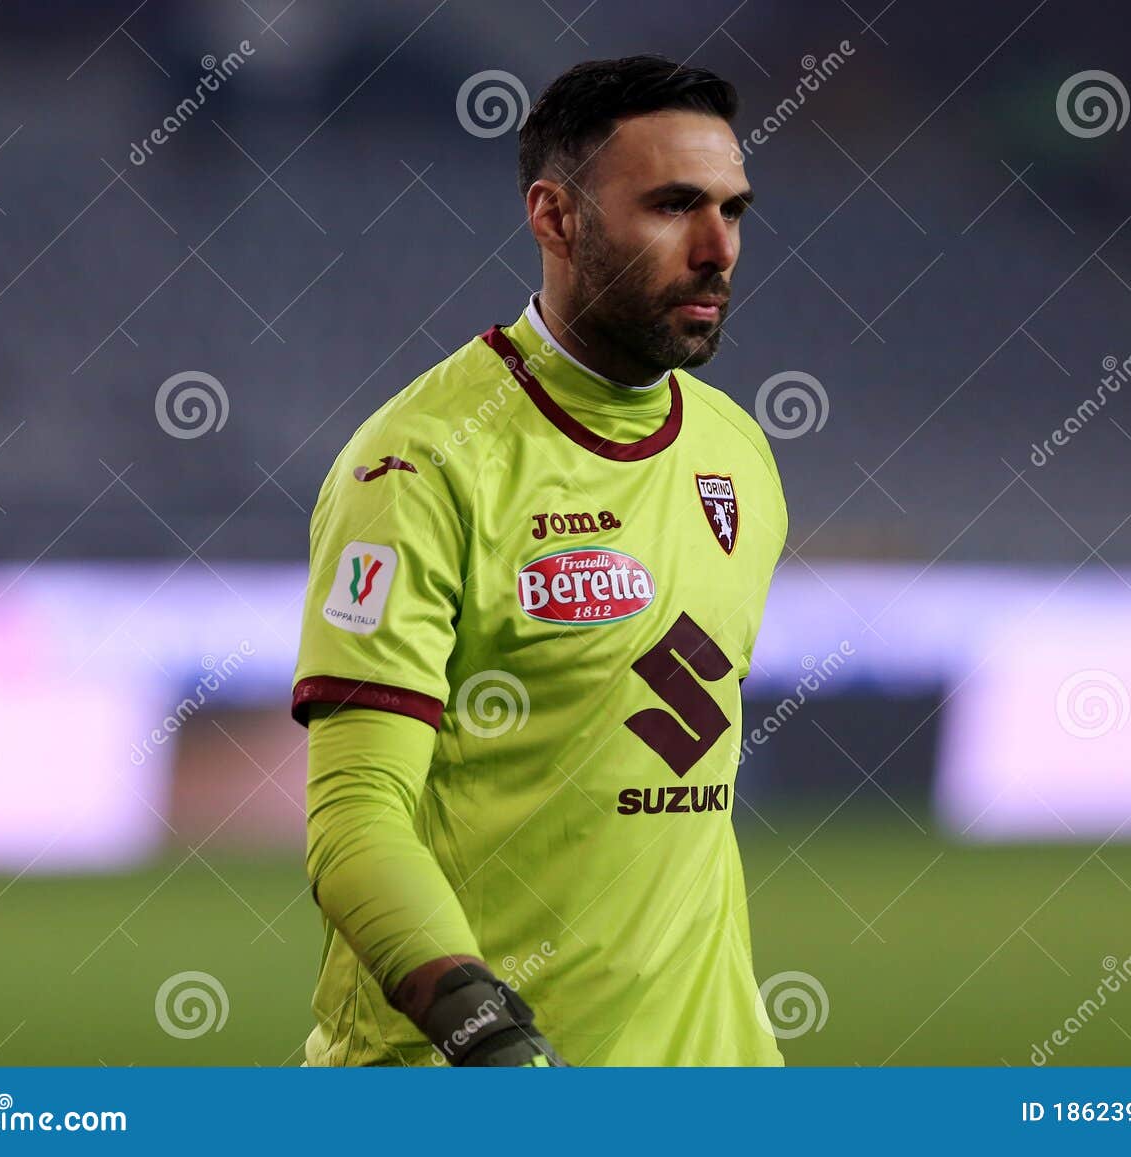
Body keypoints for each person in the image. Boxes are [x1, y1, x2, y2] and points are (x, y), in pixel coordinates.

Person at [291, 54, 787, 1066]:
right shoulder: (420, 465)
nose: (715, 248)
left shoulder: (735, 449)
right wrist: (488, 1031)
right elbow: (352, 825)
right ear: (555, 217)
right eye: (673, 206)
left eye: (733, 211)